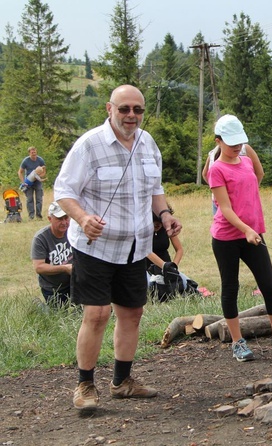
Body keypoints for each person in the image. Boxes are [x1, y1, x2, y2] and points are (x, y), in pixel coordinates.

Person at [54, 84, 182, 411]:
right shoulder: (89, 145)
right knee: (96, 314)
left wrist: (165, 215)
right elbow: (63, 191)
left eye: (137, 110)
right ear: (109, 110)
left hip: (135, 247)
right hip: (94, 246)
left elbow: (155, 187)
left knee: (132, 313)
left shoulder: (148, 143)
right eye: (124, 109)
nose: (131, 116)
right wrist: (83, 218)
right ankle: (84, 386)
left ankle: (122, 382)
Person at [207, 114, 272, 362]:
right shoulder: (216, 169)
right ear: (218, 141)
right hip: (227, 237)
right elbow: (224, 208)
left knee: (269, 284)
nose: (237, 147)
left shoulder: (245, 161)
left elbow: (259, 175)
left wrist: (247, 147)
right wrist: (245, 229)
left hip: (254, 233)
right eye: (231, 142)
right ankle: (238, 342)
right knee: (230, 287)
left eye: (240, 142)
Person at [31, 202, 74, 307]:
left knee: (80, 314)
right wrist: (64, 268)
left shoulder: (73, 232)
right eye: (59, 219)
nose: (64, 222)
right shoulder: (41, 238)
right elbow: (39, 267)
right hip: (53, 288)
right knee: (57, 318)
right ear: (50, 219)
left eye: (66, 218)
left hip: (74, 283)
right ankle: (38, 307)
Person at [18, 147, 46, 220]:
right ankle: (31, 216)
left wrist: (40, 176)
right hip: (28, 183)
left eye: (35, 152)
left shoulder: (40, 160)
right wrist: (23, 182)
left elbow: (44, 170)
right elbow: (20, 172)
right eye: (32, 153)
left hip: (37, 182)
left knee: (39, 199)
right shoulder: (26, 161)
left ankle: (39, 216)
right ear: (29, 153)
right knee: (29, 199)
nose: (34, 154)